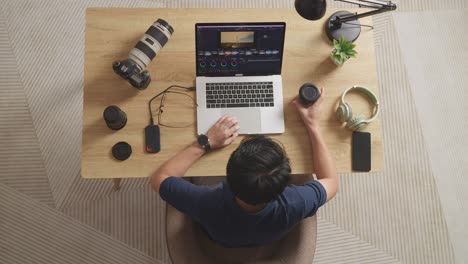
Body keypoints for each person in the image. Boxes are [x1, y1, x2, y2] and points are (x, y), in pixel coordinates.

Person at [151, 88, 338, 247]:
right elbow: (331, 182)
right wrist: (313, 125)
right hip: (267, 236)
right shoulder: (297, 202)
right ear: (284, 185)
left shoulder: (205, 203)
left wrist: (204, 143)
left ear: (227, 177)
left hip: (221, 237)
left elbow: (159, 178)